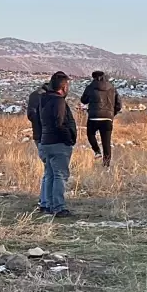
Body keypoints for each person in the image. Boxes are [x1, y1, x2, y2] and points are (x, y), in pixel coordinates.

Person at [38, 71, 76, 218]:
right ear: (63, 87)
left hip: (45, 141)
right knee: (60, 175)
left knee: (50, 175)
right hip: (58, 143)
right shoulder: (59, 101)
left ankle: (47, 205)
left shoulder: (44, 99)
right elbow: (59, 123)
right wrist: (69, 138)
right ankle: (59, 207)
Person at [80, 71, 121, 167]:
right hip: (107, 118)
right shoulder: (112, 88)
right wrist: (112, 114)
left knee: (90, 134)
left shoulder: (90, 87)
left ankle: (97, 151)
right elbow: (119, 104)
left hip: (93, 117)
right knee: (106, 142)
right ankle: (106, 165)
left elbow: (83, 100)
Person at [27, 78, 47, 212]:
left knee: (48, 169)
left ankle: (45, 200)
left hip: (39, 135)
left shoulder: (34, 96)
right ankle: (45, 201)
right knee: (50, 170)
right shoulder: (49, 97)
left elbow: (31, 115)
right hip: (45, 136)